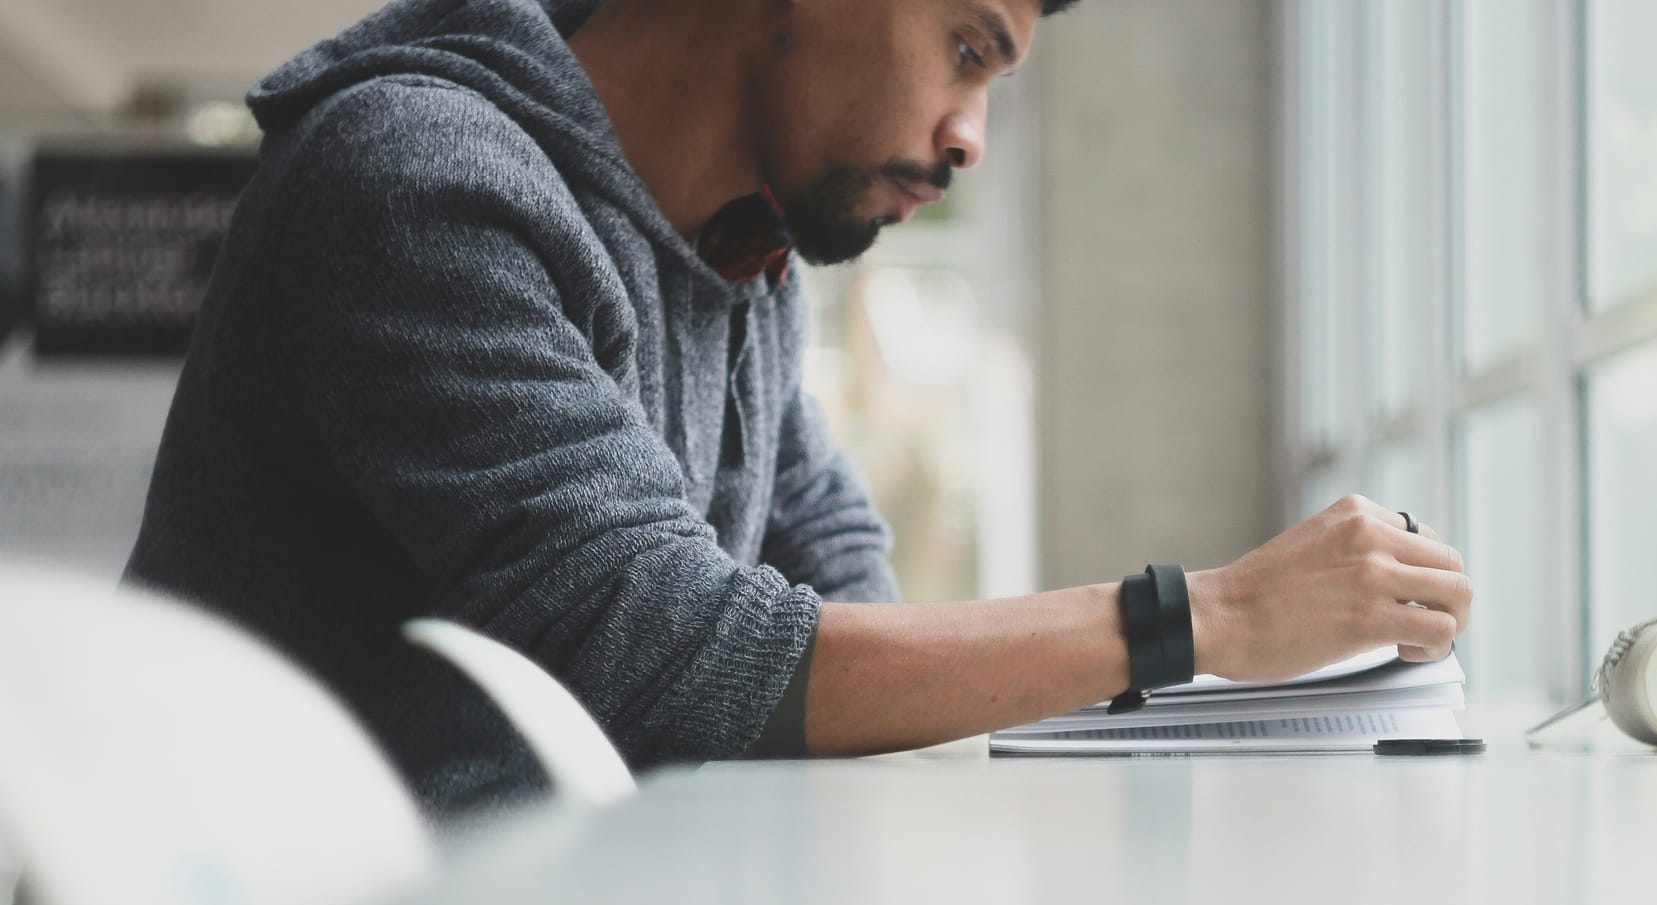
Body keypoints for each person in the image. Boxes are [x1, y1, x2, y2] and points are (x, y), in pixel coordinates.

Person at [125, 0, 1471, 819]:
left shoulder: (744, 260)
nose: (969, 135)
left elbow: (836, 572)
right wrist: (1208, 618)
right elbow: (678, 651)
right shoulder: (415, 180)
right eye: (965, 49)